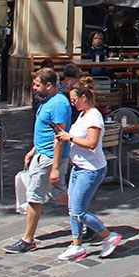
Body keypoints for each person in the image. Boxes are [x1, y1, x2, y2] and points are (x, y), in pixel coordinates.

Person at [5, 69, 72, 254]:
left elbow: (59, 136)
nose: (34, 88)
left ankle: (27, 240)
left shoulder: (58, 104)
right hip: (42, 154)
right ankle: (85, 218)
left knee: (34, 196)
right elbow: (45, 131)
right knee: (59, 193)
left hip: (49, 158)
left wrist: (55, 168)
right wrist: (33, 149)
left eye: (37, 85)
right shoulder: (47, 101)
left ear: (48, 85)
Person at [54, 82, 121, 260]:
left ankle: (108, 236)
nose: (72, 103)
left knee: (78, 211)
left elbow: (92, 143)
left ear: (84, 98)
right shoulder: (83, 114)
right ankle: (76, 245)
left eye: (74, 99)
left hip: (90, 170)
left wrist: (70, 137)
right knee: (72, 208)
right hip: (78, 167)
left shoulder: (94, 118)